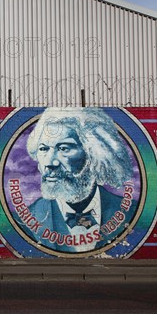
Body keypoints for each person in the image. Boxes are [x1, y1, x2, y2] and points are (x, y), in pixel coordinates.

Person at [22, 107, 134, 252]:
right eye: (43, 149)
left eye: (64, 148)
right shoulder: (27, 219)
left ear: (94, 155)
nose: (49, 162)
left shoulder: (129, 212)